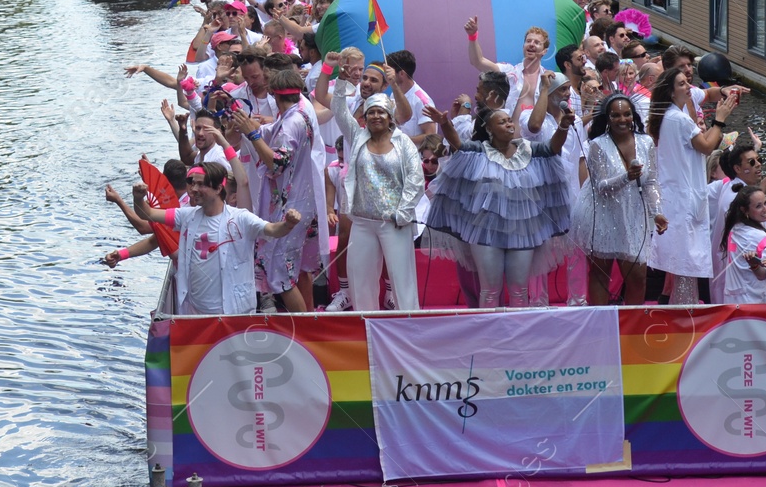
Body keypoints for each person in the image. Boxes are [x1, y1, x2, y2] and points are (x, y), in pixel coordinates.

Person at [424, 100, 576, 308]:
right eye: (502, 122)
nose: (509, 125)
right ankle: (491, 337)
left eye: (509, 121)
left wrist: (564, 126)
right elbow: (457, 144)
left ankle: (518, 337)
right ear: (489, 129)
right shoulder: (478, 151)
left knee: (519, 290)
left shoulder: (529, 150)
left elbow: (553, 147)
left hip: (522, 231)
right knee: (490, 290)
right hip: (484, 231)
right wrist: (445, 123)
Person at [133, 162, 300, 315]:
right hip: (195, 311)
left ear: (219, 188)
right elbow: (148, 213)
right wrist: (138, 198)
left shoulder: (241, 218)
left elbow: (271, 229)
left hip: (234, 311)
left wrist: (288, 224)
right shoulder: (186, 216)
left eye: (200, 184)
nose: (193, 189)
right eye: (192, 183)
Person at [224, 67, 320, 312]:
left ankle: (304, 331)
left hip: (291, 207)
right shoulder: (300, 111)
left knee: (281, 277)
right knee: (293, 270)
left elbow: (277, 163)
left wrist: (253, 134)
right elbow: (274, 131)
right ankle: (307, 322)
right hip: (303, 202)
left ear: (275, 95)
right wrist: (250, 126)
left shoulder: (292, 122)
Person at [329, 71, 425, 311]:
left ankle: (409, 328)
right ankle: (367, 328)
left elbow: (416, 179)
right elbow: (339, 110)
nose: (375, 116)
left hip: (393, 222)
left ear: (390, 116)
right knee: (360, 280)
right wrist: (342, 81)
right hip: (362, 221)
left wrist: (402, 213)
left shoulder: (402, 142)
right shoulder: (357, 136)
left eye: (381, 112)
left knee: (402, 281)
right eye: (371, 112)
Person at [646, 66, 736, 303]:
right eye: (682, 84)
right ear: (671, 92)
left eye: (688, 82)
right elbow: (707, 146)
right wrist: (720, 119)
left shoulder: (666, 116)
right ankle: (684, 312)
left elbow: (705, 95)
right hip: (684, 199)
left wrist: (724, 91)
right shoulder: (678, 119)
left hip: (675, 195)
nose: (688, 86)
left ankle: (683, 307)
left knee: (680, 262)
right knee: (686, 263)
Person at [573, 93, 665, 304]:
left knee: (638, 276)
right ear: (607, 117)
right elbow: (601, 187)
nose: (622, 120)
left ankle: (631, 325)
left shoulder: (646, 142)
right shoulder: (598, 145)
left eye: (626, 114)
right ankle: (601, 324)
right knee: (600, 274)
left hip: (633, 214)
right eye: (615, 115)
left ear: (633, 116)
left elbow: (651, 181)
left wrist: (657, 212)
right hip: (603, 214)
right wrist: (627, 177)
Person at [713, 185, 766, 303]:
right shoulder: (759, 237)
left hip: (733, 299)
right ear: (744, 210)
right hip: (754, 301)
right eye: (759, 206)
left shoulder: (734, 229)